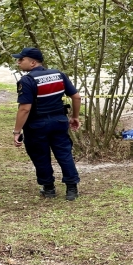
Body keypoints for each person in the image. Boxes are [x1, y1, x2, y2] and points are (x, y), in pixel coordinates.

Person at [12, 47, 82, 200]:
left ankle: (49, 188)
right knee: (64, 154)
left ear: (32, 62)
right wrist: (75, 117)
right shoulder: (59, 75)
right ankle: (72, 189)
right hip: (59, 121)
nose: (18, 62)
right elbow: (76, 97)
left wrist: (17, 131)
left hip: (37, 125)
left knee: (40, 156)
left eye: (21, 59)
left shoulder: (27, 80)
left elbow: (24, 108)